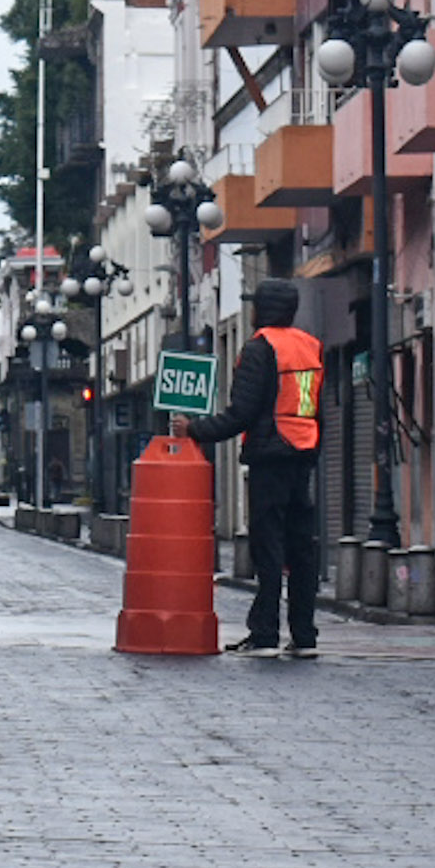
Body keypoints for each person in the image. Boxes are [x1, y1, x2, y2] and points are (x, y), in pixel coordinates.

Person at [172, 277, 324, 659]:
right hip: (303, 455)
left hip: (270, 459)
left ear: (262, 309)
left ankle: (265, 634)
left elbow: (242, 413)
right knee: (302, 551)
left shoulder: (260, 349)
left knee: (268, 548)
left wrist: (195, 430)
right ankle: (304, 635)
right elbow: (317, 407)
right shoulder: (310, 346)